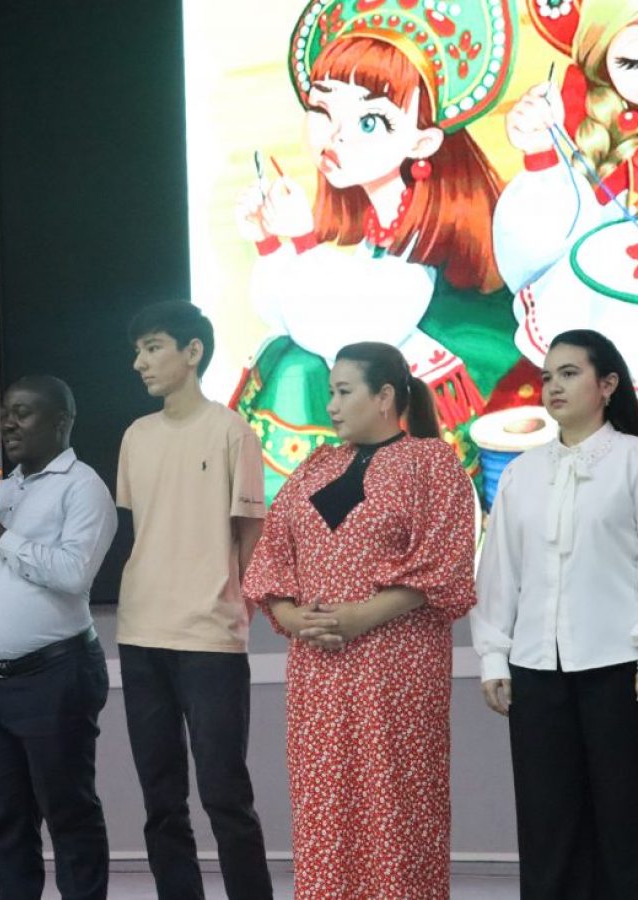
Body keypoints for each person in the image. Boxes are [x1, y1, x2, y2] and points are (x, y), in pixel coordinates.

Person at [235, 0, 536, 504]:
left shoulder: (425, 229)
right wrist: (269, 242)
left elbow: (355, 333)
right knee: (290, 359)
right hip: (378, 343)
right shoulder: (374, 214)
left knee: (300, 373)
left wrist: (302, 243)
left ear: (423, 142)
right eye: (322, 110)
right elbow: (300, 316)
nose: (335, 136)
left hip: (451, 353)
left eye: (370, 121)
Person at [243, 341, 477, 899]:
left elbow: (446, 564)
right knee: (325, 798)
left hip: (398, 667)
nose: (331, 405)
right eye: (330, 392)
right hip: (319, 671)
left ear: (385, 396)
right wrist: (293, 617)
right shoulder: (314, 467)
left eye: (344, 391)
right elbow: (271, 559)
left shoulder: (432, 463)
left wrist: (359, 617)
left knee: (396, 799)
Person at [471, 329, 638, 898]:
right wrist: (494, 657)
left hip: (620, 668)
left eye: (569, 373)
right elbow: (500, 571)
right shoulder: (522, 472)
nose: (552, 387)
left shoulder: (631, 461)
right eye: (547, 377)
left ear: (607, 384)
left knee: (625, 823)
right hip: (537, 672)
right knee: (547, 825)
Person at [117, 301, 273, 900]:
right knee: (161, 800)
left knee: (225, 795)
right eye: (137, 351)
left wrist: (238, 609)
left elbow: (251, 537)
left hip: (211, 637)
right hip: (140, 634)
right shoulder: (136, 436)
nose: (140, 362)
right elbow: (141, 529)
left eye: (153, 347)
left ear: (193, 352)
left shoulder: (232, 431)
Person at [0, 375, 116, 900]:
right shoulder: (4, 488)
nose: (9, 423)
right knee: (6, 820)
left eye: (23, 413)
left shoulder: (83, 487)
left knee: (68, 814)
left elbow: (73, 574)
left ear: (61, 422)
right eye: (5, 412)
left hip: (56, 675)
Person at [494, 0, 638, 381]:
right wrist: (541, 154)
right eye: (632, 64)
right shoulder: (574, 115)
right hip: (603, 304)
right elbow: (534, 253)